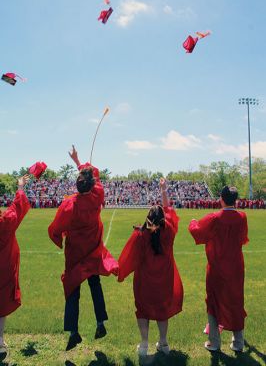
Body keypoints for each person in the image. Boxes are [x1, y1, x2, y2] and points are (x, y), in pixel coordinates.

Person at [48, 145, 118, 351]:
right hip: (93, 249)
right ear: (91, 185)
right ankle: (100, 323)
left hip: (75, 253)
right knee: (95, 284)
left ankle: (73, 332)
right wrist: (79, 162)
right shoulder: (98, 194)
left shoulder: (69, 205)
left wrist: (59, 237)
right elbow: (94, 174)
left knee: (72, 287)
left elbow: (55, 228)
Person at [118, 178, 183, 357]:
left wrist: (119, 270)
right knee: (162, 309)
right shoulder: (169, 230)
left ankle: (144, 344)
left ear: (147, 219)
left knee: (143, 309)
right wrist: (163, 191)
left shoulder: (140, 235)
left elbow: (128, 257)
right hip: (165, 278)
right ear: (163, 220)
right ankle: (163, 343)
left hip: (144, 279)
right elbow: (169, 211)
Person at [188, 186, 249, 352]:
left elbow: (198, 232)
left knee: (213, 301)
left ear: (221, 198)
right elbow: (243, 239)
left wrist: (193, 222)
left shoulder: (215, 217)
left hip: (217, 267)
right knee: (236, 300)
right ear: (235, 199)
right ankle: (238, 342)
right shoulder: (242, 216)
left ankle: (214, 343)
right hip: (236, 266)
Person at [0, 175, 30, 356]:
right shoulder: (5, 223)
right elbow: (17, 207)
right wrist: (20, 187)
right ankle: (0, 341)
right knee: (1, 305)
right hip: (3, 269)